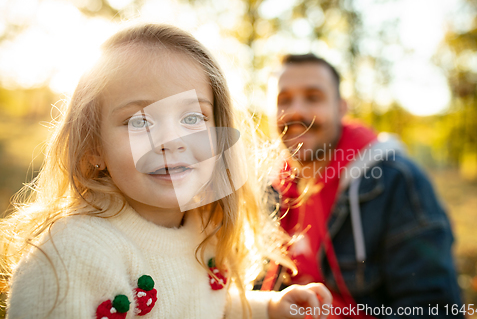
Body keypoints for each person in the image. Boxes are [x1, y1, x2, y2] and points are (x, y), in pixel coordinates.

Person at [0, 25, 334, 319]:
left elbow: (202, 305)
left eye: (192, 118)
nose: (171, 141)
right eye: (139, 121)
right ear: (94, 149)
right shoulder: (72, 255)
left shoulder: (201, 227)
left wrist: (270, 309)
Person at [265, 53, 464, 318]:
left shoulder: (396, 180)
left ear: (341, 108)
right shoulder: (272, 186)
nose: (297, 111)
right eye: (284, 100)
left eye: (313, 97)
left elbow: (435, 309)